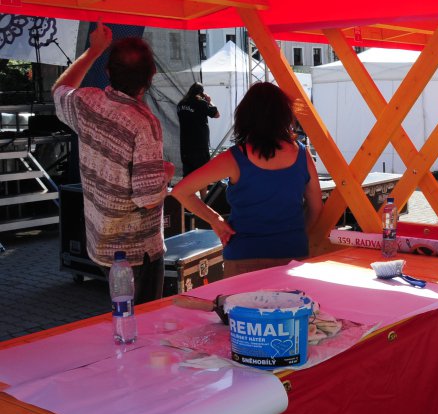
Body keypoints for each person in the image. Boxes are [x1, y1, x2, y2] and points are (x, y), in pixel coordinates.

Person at [53, 23, 175, 304]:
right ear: (151, 76)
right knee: (141, 322)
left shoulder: (87, 102)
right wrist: (166, 172)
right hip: (137, 252)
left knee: (122, 317)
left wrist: (93, 51)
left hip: (101, 245)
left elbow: (60, 89)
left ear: (108, 72)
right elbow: (147, 198)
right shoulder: (144, 124)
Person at [172, 82, 323, 277]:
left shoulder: (234, 157)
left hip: (243, 256)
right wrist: (297, 234)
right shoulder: (303, 154)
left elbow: (181, 191)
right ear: (285, 115)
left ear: (245, 116)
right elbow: (316, 207)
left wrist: (215, 220)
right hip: (293, 254)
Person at [177, 82, 220, 176]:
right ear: (201, 92)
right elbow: (217, 114)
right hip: (199, 145)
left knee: (188, 173)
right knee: (202, 173)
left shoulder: (180, 104)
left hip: (185, 144)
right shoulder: (201, 103)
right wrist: (209, 101)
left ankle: (189, 186)